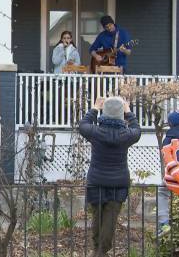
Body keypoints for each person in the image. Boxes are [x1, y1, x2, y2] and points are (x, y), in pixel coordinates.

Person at [78, 96, 141, 257]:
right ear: (121, 114)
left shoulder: (95, 132)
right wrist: (128, 112)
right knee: (110, 220)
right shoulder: (126, 135)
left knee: (97, 217)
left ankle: (97, 250)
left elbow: (83, 125)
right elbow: (137, 130)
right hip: (118, 183)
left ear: (104, 113)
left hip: (96, 181)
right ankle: (102, 252)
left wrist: (94, 108)